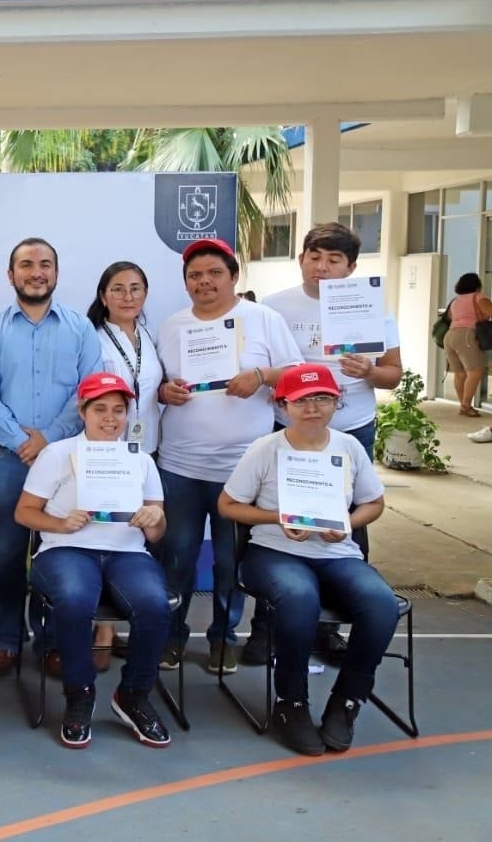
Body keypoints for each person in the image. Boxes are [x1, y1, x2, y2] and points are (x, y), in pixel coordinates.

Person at [219, 363, 392, 757]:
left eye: (322, 398)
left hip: (336, 552)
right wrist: (276, 518)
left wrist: (348, 522)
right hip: (275, 552)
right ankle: (291, 704)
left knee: (380, 605)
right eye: (301, 400)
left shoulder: (348, 447)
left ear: (336, 402)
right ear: (284, 405)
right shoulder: (266, 448)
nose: (312, 407)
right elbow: (228, 505)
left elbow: (375, 503)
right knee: (299, 598)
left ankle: (347, 701)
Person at [154, 238, 303, 675]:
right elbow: (159, 383)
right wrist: (167, 391)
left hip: (240, 469)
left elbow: (295, 374)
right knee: (176, 557)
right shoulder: (172, 326)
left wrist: (259, 375)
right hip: (179, 464)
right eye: (195, 275)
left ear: (234, 277)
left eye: (214, 273)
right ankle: (171, 637)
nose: (204, 282)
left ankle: (223, 639)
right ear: (185, 283)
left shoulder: (263, 319)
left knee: (228, 560)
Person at [257, 221, 401, 666]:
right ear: (301, 258)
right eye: (314, 257)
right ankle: (267, 627)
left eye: (334, 260)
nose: (322, 267)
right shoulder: (274, 307)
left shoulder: (371, 309)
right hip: (287, 430)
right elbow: (263, 366)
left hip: (351, 428)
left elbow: (393, 374)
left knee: (347, 525)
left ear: (351, 266)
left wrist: (369, 373)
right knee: (279, 524)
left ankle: (333, 629)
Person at [14, 373, 170, 749]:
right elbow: (24, 513)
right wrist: (60, 523)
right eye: (99, 408)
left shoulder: (140, 459)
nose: (110, 418)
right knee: (74, 599)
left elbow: (157, 531)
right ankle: (80, 693)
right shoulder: (57, 454)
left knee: (154, 605)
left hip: (127, 551)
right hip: (66, 549)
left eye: (119, 410)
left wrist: (155, 520)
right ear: (82, 410)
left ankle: (133, 694)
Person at [0, 237, 102, 679]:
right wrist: (21, 441)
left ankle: (50, 641)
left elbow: (91, 390)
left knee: (56, 550)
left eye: (45, 264)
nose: (36, 272)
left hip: (66, 458)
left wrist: (49, 438)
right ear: (11, 275)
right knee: (7, 556)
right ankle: (8, 639)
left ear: (56, 273)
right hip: (7, 460)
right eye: (26, 265)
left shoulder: (80, 329)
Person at [85, 261, 164, 670]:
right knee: (105, 534)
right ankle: (101, 630)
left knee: (137, 536)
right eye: (118, 289)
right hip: (105, 454)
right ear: (103, 296)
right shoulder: (93, 339)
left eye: (135, 288)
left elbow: (150, 389)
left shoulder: (149, 338)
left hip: (145, 453)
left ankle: (121, 622)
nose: (127, 296)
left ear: (145, 295)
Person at [442, 272, 492, 419]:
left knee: (460, 373)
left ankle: (464, 405)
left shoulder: (455, 301)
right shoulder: (478, 298)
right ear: (477, 285)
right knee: (475, 371)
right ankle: (465, 406)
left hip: (450, 336)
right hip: (467, 335)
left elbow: (450, 317)